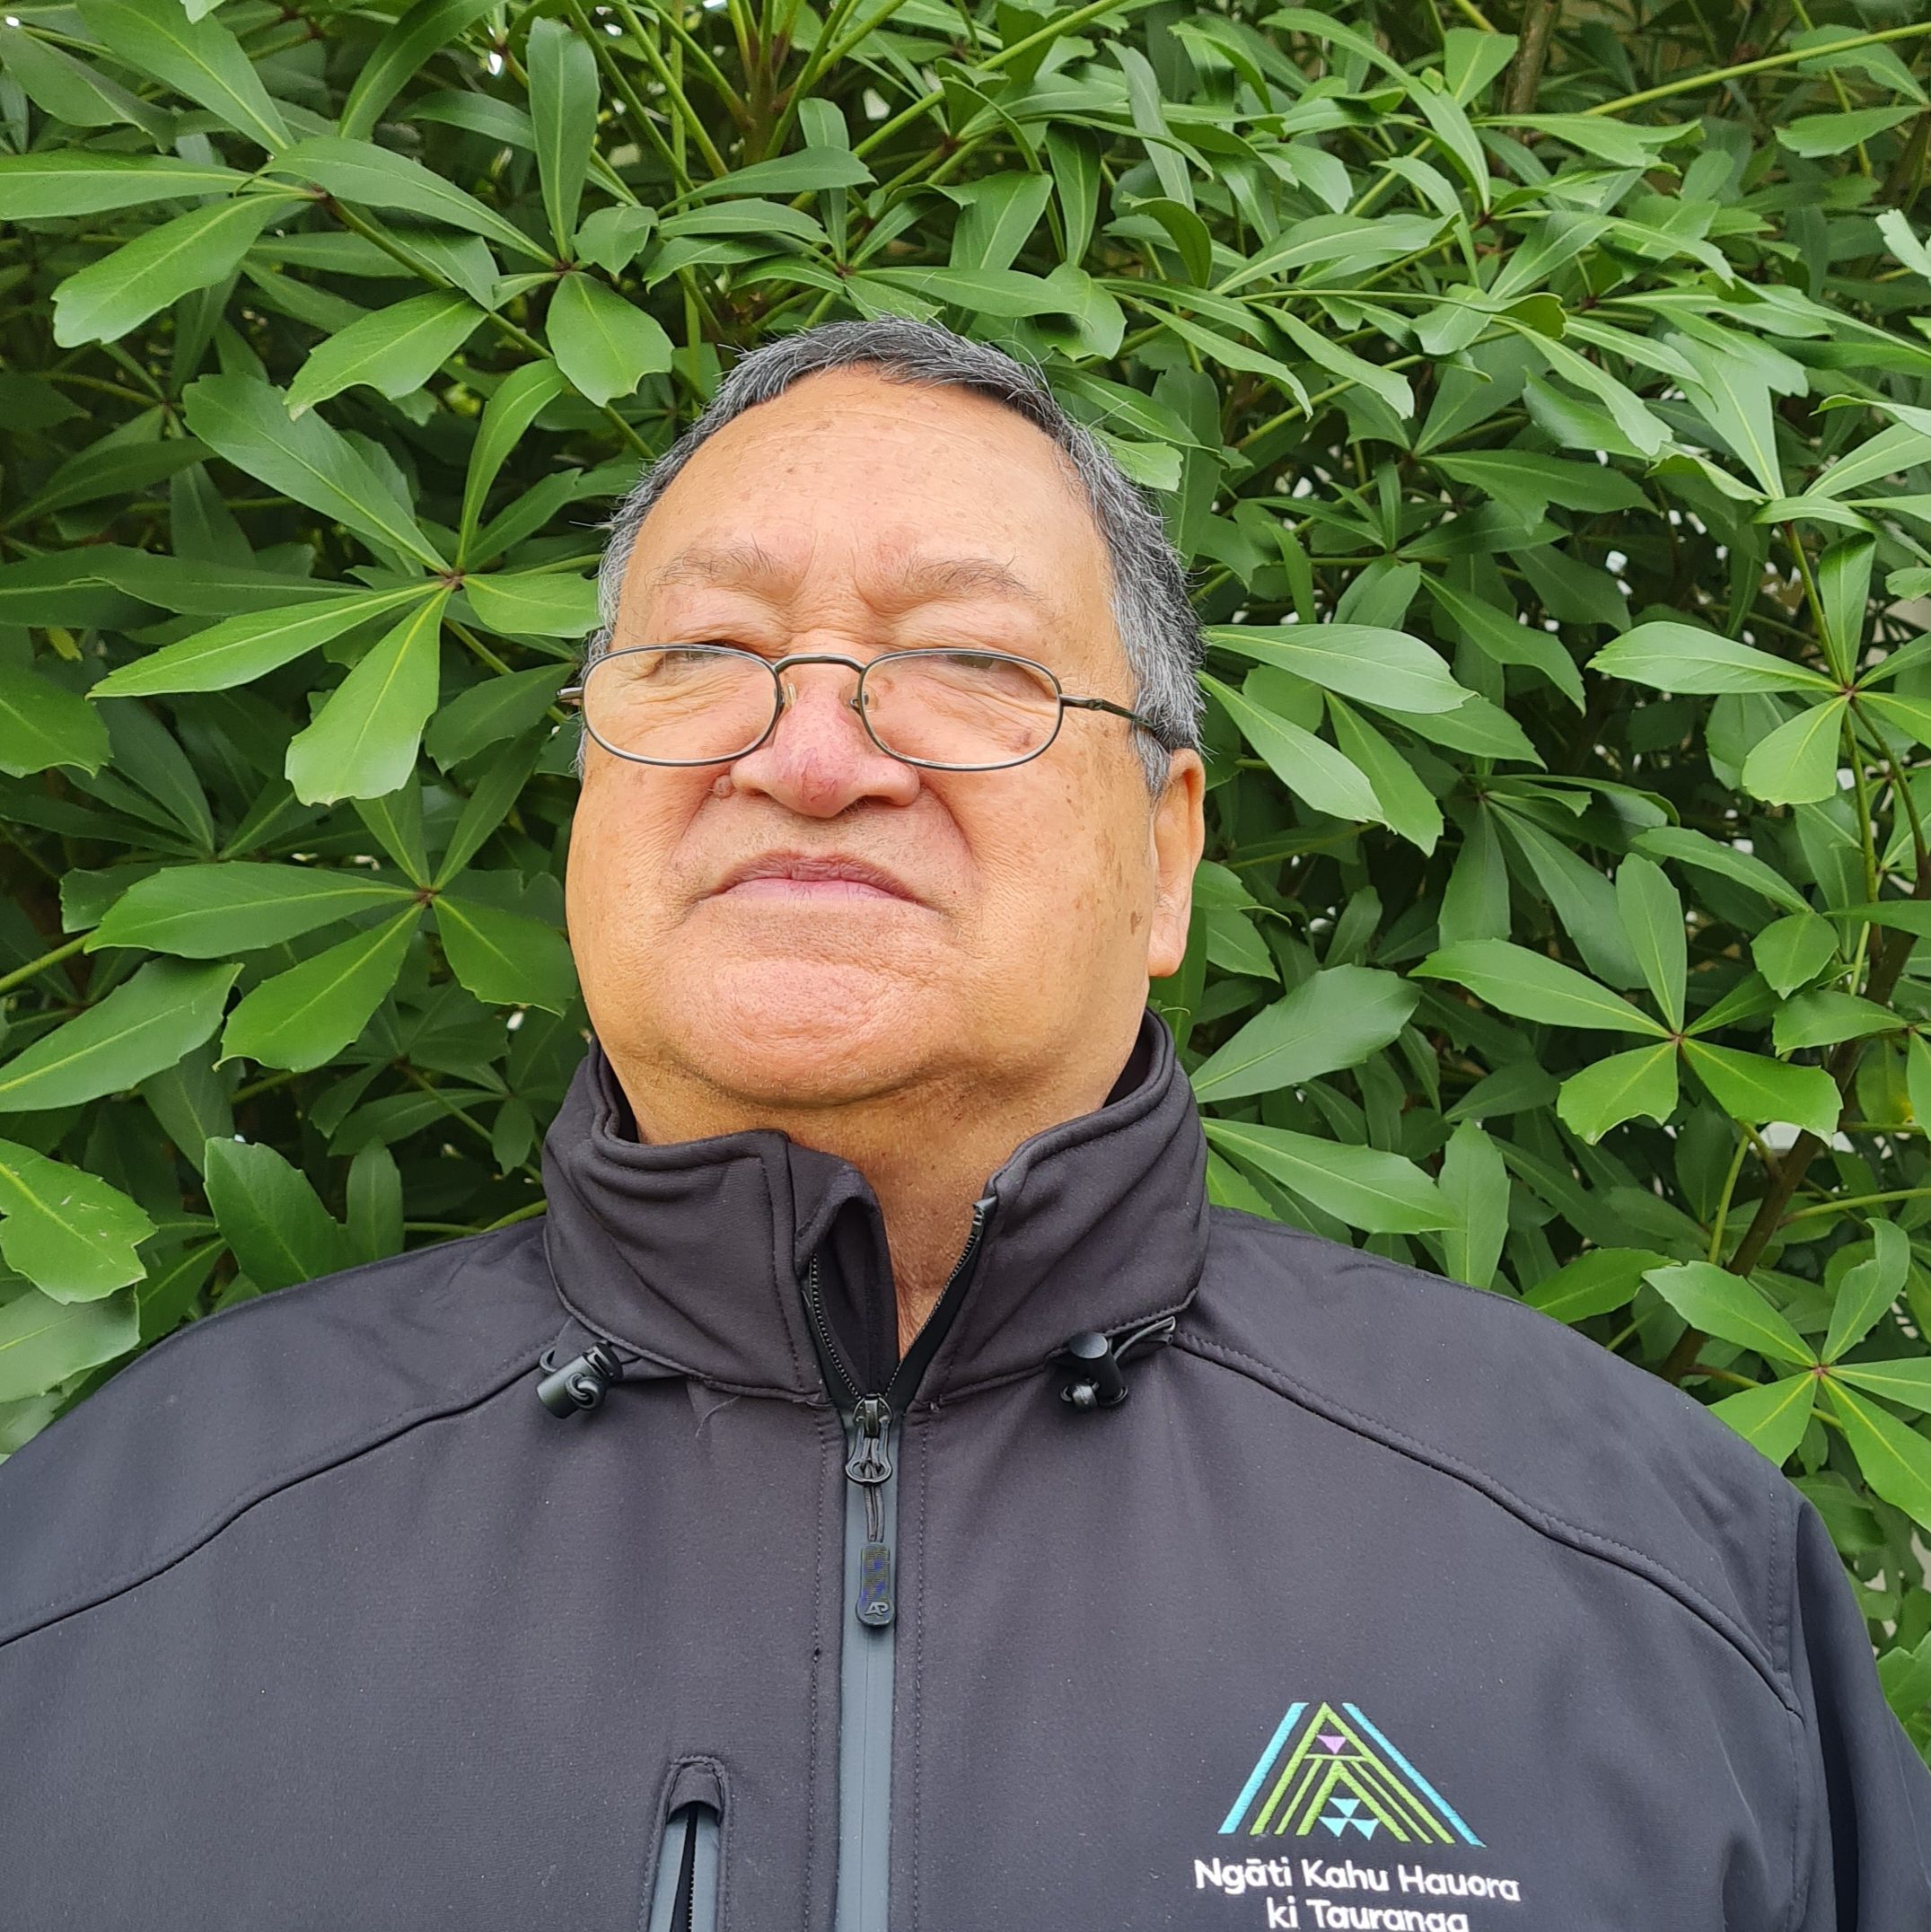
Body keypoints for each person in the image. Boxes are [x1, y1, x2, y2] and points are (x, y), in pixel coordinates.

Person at [1, 319, 1926, 1932]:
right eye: (703, 655)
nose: (810, 751)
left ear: (1164, 851)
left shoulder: (1645, 1577)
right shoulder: (109, 1556)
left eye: (967, 664)